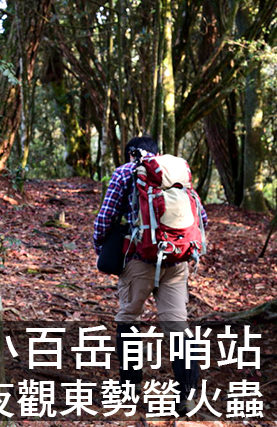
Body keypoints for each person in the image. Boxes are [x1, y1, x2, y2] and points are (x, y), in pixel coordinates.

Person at [93, 135, 207, 416]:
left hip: (139, 260)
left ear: (131, 153)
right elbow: (202, 219)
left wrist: (100, 247)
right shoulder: (177, 172)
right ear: (158, 153)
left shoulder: (125, 172)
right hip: (177, 261)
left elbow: (106, 218)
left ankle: (130, 391)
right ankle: (187, 395)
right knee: (177, 325)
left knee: (129, 318)